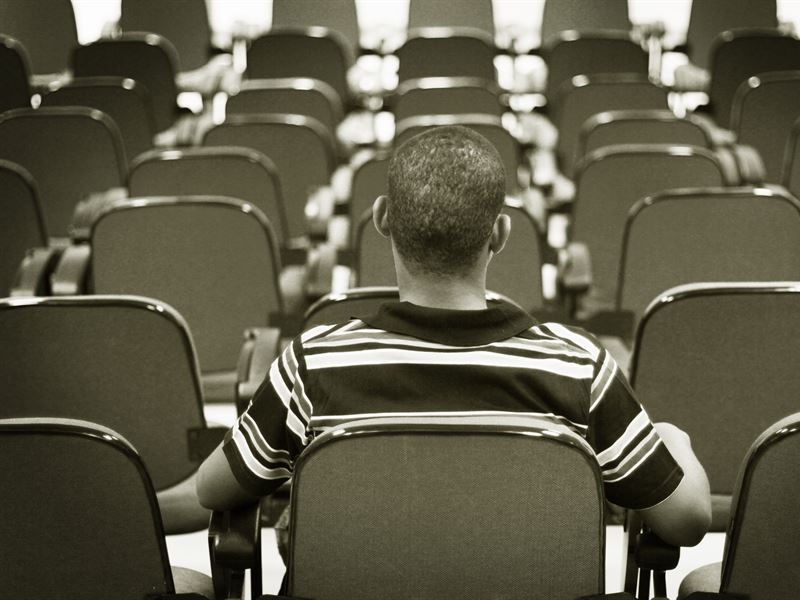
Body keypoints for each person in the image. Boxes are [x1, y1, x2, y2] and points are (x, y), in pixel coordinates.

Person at [197, 125, 711, 549]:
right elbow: (687, 521)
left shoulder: (313, 364)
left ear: (380, 220)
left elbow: (212, 487)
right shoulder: (578, 367)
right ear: (502, 233)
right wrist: (674, 440)